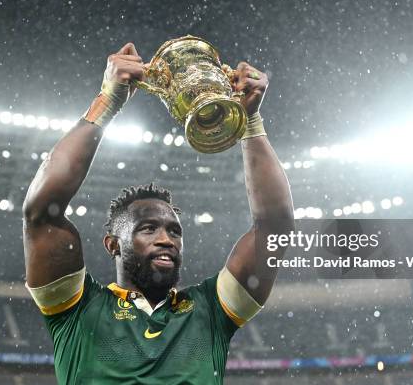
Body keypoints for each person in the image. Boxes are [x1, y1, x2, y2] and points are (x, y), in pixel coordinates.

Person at [22, 42, 294, 384]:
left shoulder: (211, 311)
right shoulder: (77, 309)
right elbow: (41, 214)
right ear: (113, 244)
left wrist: (249, 121)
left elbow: (275, 228)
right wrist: (107, 102)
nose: (166, 239)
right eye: (148, 229)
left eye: (175, 231)